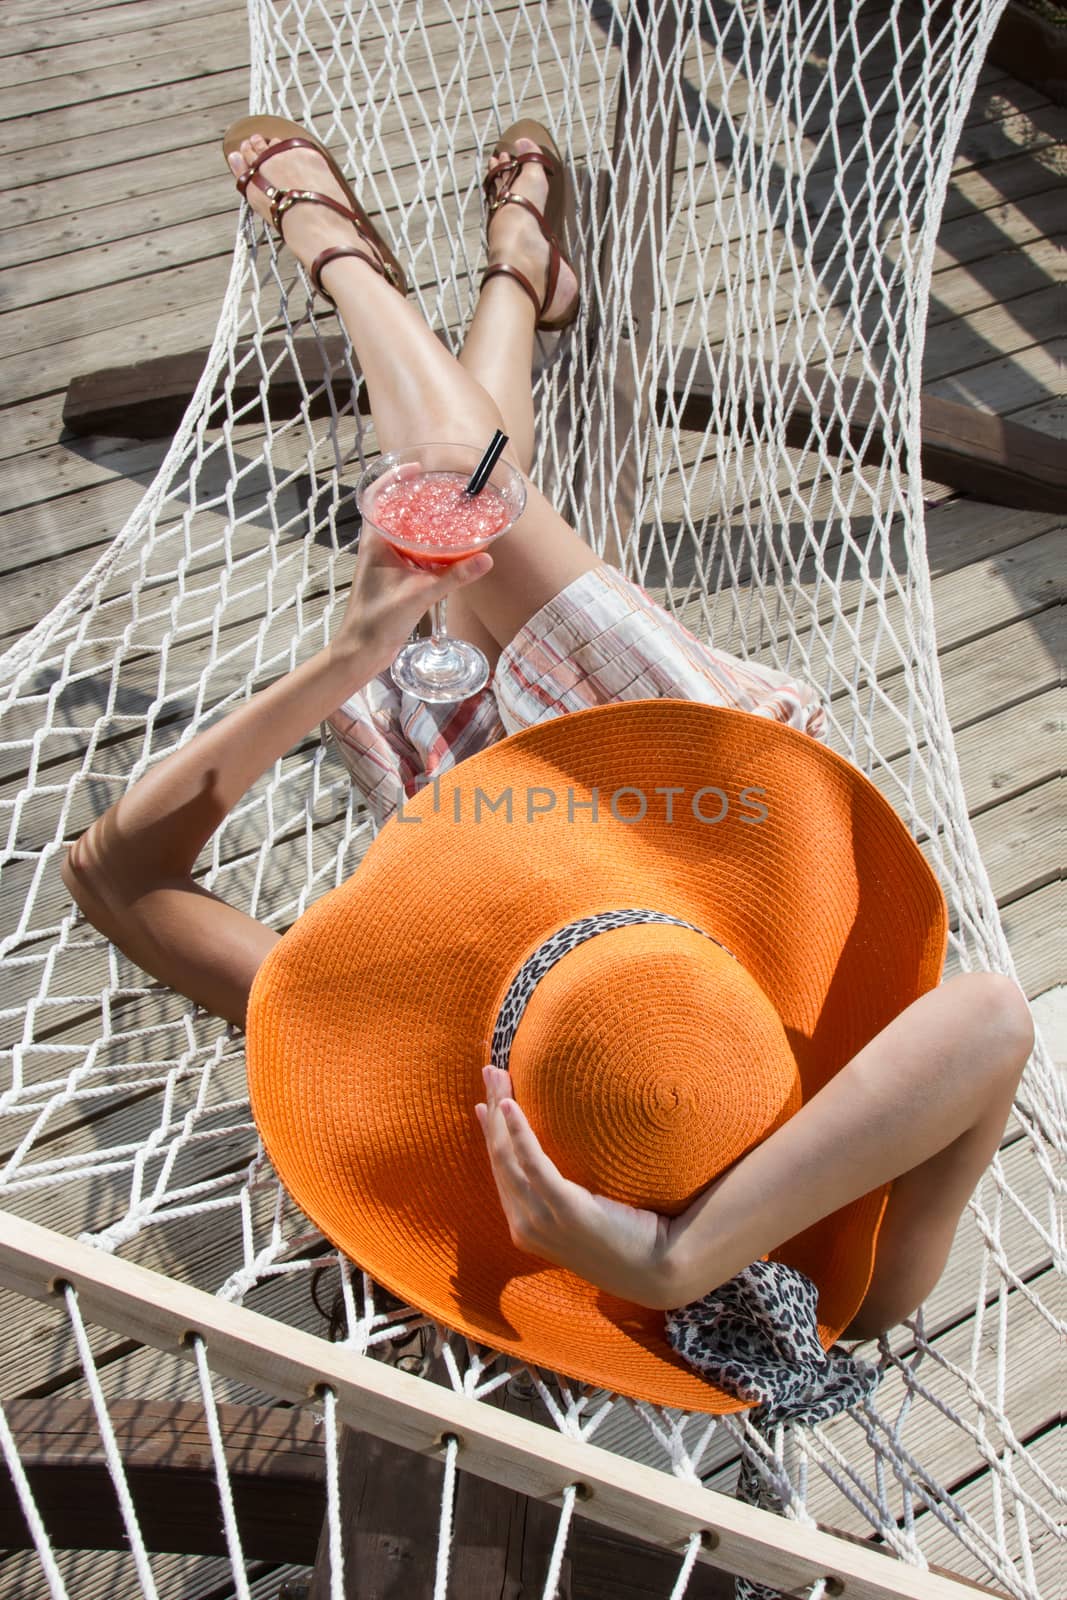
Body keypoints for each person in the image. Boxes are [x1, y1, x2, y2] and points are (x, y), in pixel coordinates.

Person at [61, 117, 1034, 1410]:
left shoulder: (396, 1065)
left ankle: (463, 271)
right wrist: (678, 1255)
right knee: (461, 494)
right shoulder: (856, 1269)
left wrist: (350, 659)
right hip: (707, 819)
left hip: (476, 840)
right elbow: (992, 1018)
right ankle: (397, 258)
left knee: (457, 520)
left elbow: (108, 879)